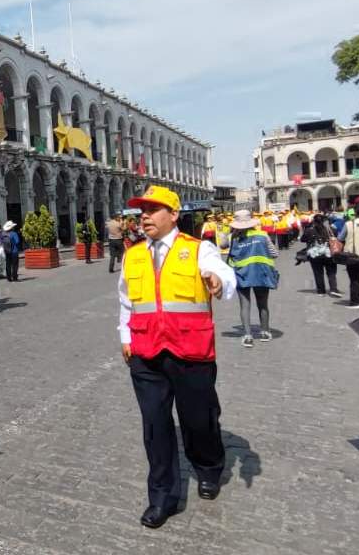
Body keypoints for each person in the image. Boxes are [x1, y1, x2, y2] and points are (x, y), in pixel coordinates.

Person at [117, 185, 236, 529]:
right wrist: (126, 337)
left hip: (190, 352)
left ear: (173, 215)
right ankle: (162, 497)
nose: (144, 216)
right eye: (142, 210)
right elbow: (126, 301)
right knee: (155, 426)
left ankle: (209, 467)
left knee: (199, 420)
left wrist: (216, 281)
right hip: (146, 352)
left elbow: (225, 276)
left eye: (153, 210)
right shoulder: (133, 254)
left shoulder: (199, 249)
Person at [227, 210, 279, 348]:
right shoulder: (263, 235)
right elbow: (275, 254)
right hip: (261, 273)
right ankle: (265, 332)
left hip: (242, 274)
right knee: (263, 304)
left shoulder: (233, 238)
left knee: (244, 305)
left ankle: (247, 336)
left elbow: (223, 247)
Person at [300, 213, 342, 298]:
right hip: (329, 253)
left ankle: (321, 290)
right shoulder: (331, 229)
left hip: (315, 254)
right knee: (331, 272)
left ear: (314, 221)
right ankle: (333, 289)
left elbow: (302, 239)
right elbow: (337, 236)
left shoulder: (309, 230)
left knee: (318, 273)